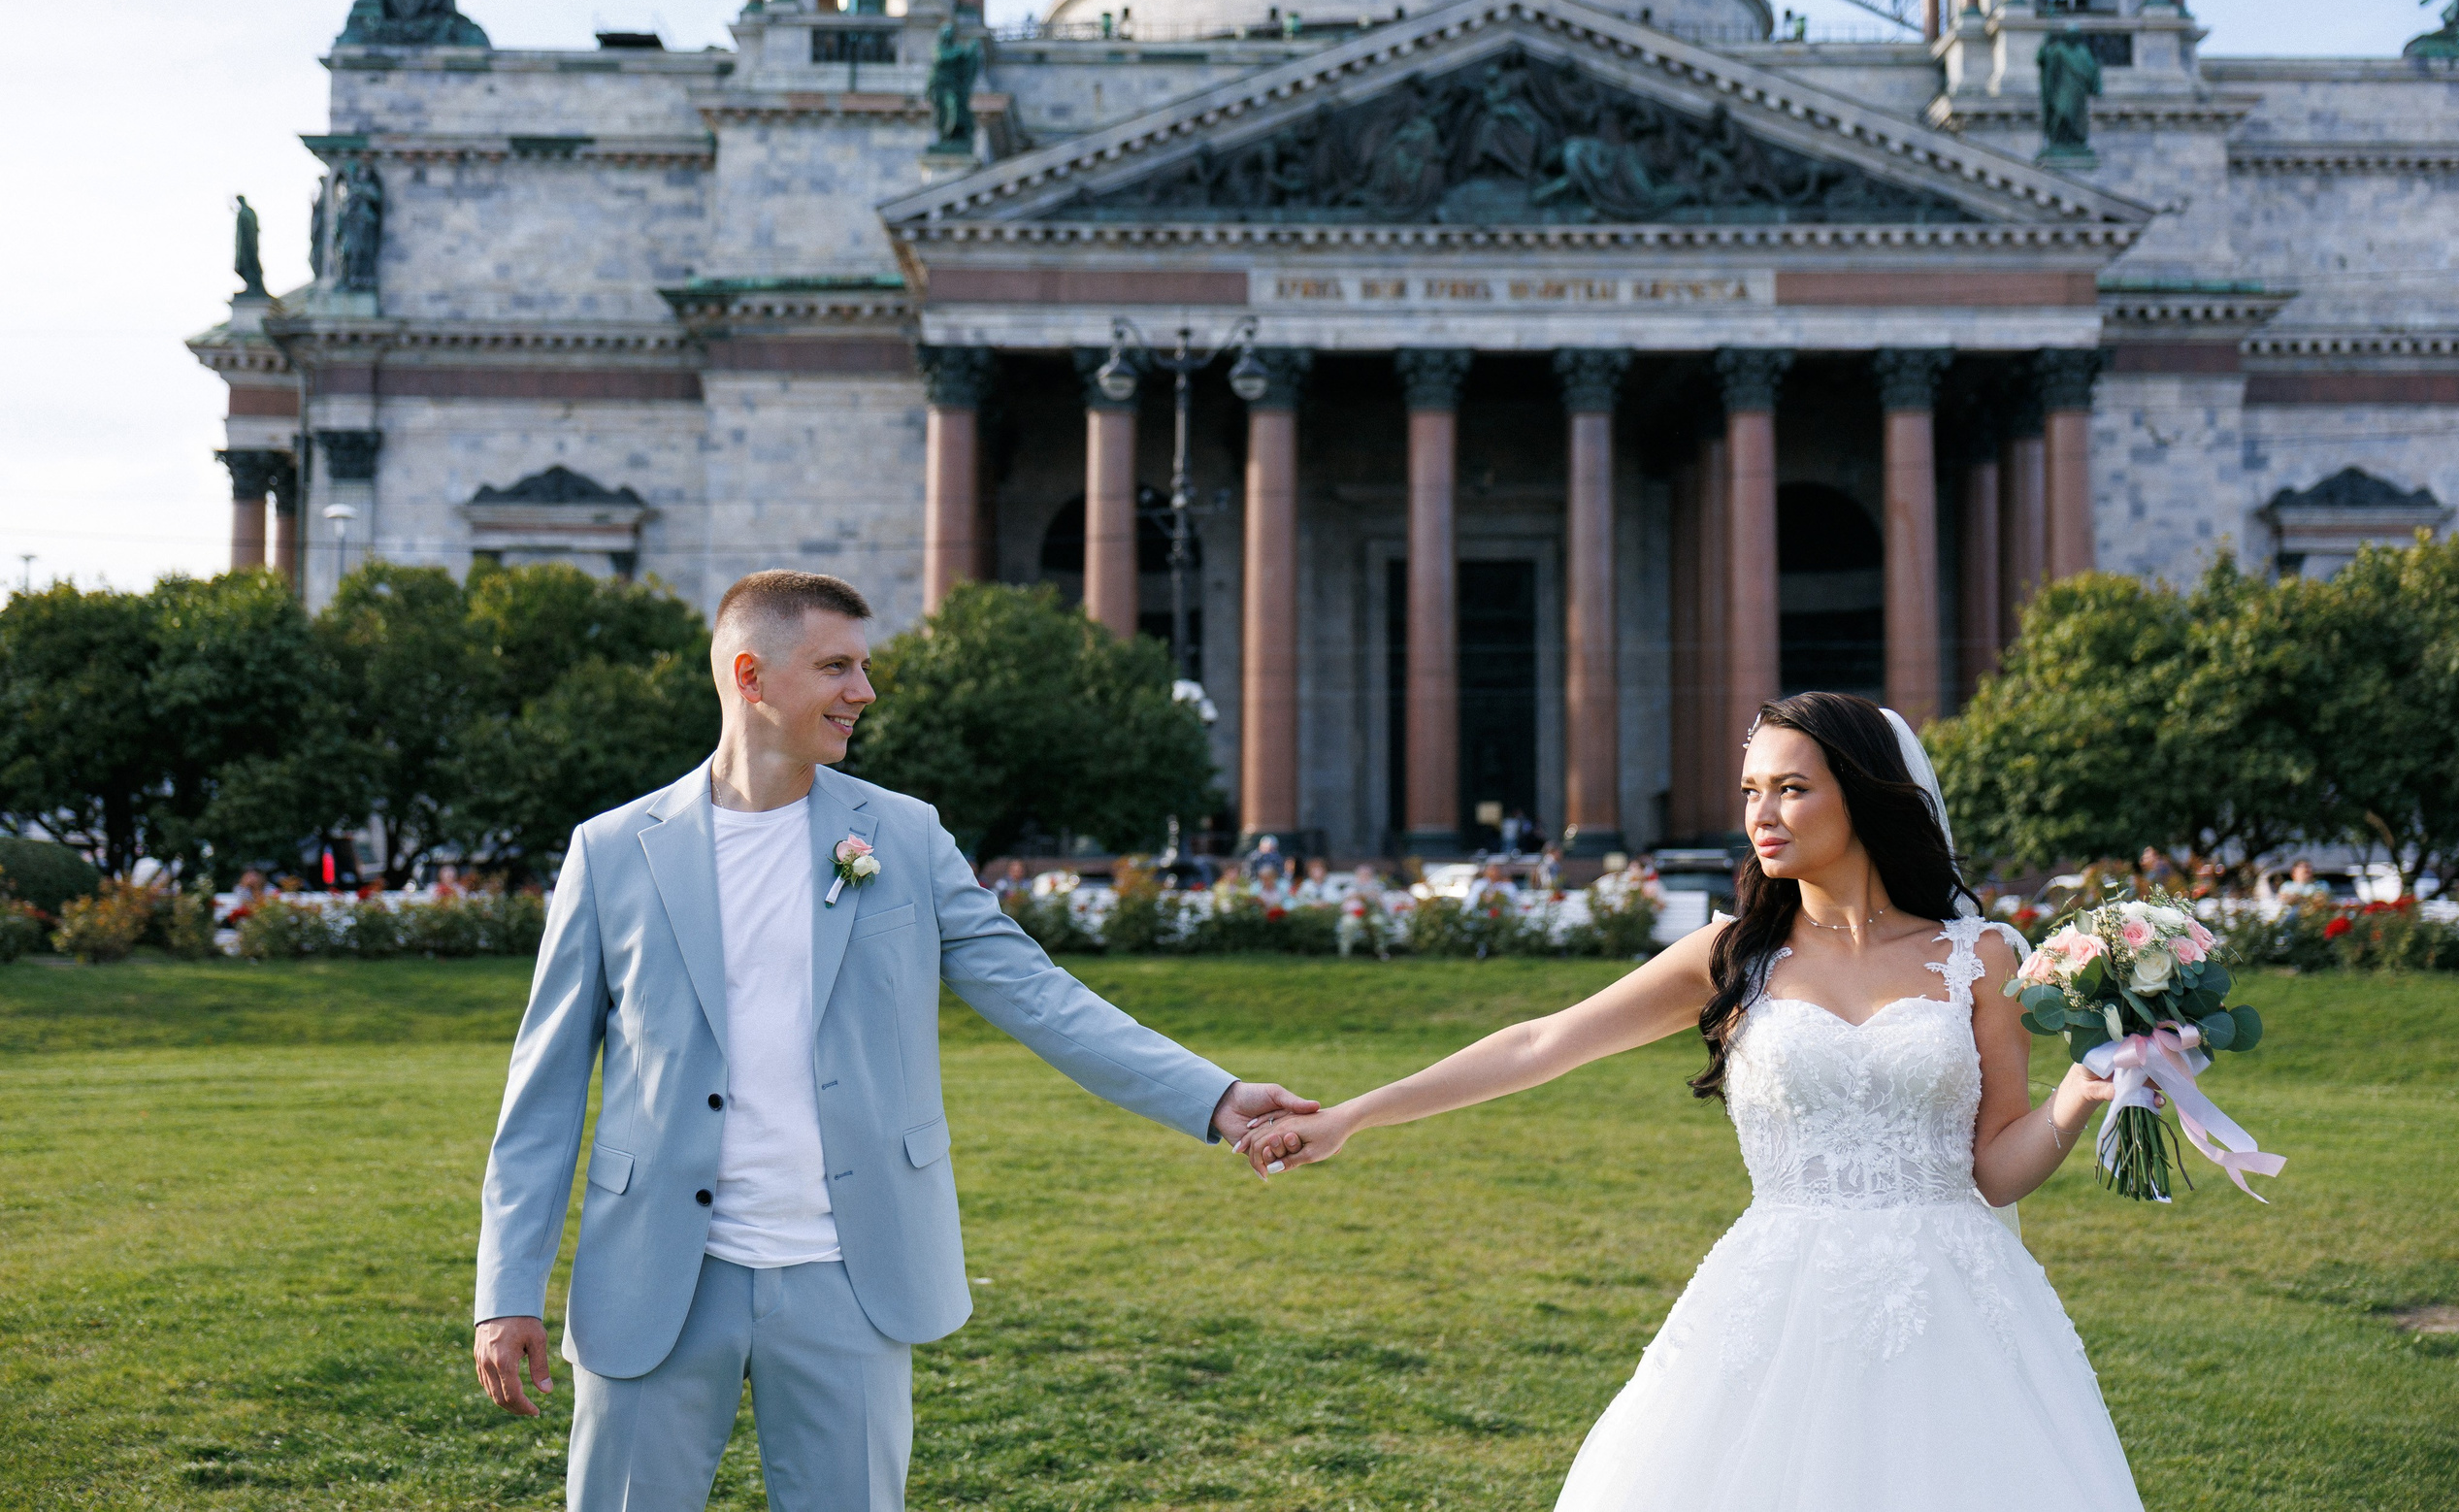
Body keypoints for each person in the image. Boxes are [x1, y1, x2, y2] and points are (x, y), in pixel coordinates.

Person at [473, 570, 1318, 1512]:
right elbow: (541, 1093)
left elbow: (1038, 995)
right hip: (652, 1275)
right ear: (752, 677)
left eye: (863, 666)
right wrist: (507, 1286)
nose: (863, 691)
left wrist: (1211, 1096)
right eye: (836, 666)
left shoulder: (904, 838)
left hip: (852, 1274)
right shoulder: (612, 849)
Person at [1247, 692, 2139, 1512]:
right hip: (1776, 1297)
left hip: (1957, 1309)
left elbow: (1993, 1172)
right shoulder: (1732, 953)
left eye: (1792, 787)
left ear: (1864, 797)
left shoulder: (1981, 955)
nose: (1761, 813)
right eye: (1751, 788)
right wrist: (1350, 1114)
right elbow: (1540, 1042)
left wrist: (2076, 1095)